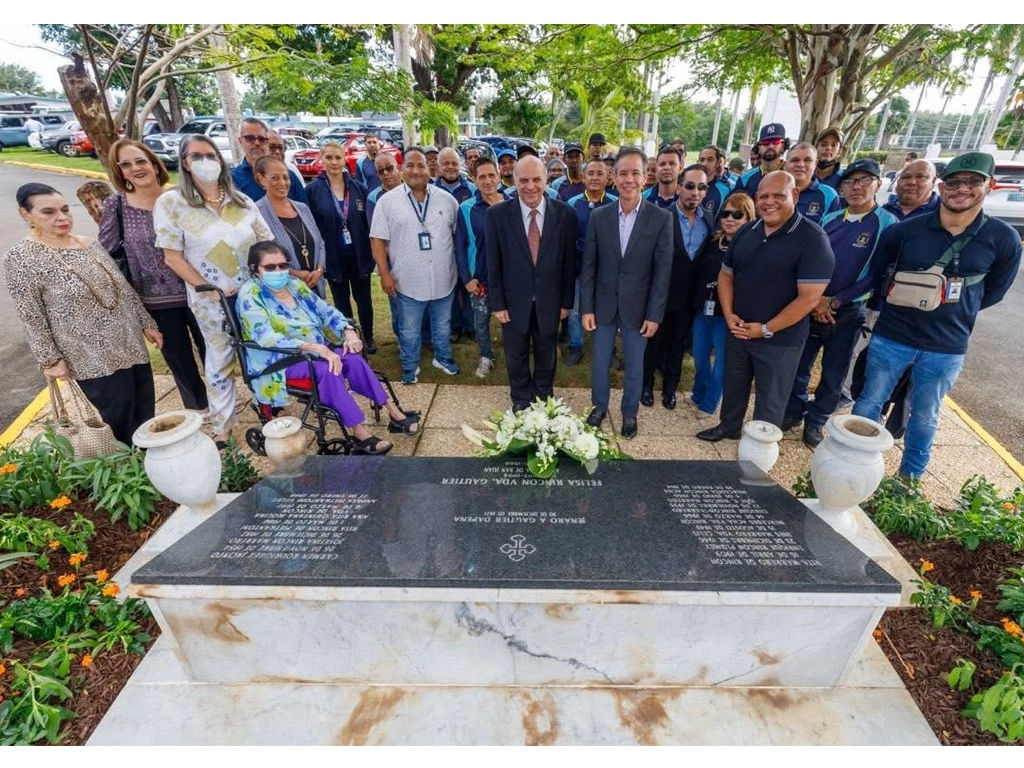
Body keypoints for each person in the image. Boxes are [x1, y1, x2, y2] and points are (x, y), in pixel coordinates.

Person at [853, 152, 1022, 478]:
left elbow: (993, 292)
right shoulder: (905, 232)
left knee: (925, 416)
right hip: (892, 336)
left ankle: (909, 480)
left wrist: (951, 310)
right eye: (955, 182)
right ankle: (855, 463)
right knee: (869, 402)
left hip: (946, 346)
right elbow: (880, 274)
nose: (962, 189)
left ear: (989, 186)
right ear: (942, 187)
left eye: (973, 182)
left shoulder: (1003, 239)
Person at [6, 183, 163, 445]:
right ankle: (128, 476)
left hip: (128, 342)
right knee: (118, 417)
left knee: (144, 409)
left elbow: (121, 287)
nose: (62, 217)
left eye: (65, 209)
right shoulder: (21, 257)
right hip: (89, 354)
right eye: (49, 212)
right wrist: (49, 359)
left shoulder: (89, 244)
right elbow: (30, 313)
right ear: (25, 214)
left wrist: (146, 323)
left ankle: (152, 464)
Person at [235, 241, 419, 455]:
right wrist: (317, 348)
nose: (279, 271)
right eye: (270, 267)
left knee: (353, 358)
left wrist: (348, 331)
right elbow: (265, 337)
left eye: (283, 265)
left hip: (316, 350)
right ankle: (360, 433)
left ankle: (395, 414)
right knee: (329, 371)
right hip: (279, 360)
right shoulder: (250, 296)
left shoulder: (294, 285)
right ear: (254, 268)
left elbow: (326, 311)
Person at [154, 134, 274, 448]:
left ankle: (271, 408)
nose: (206, 161)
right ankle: (223, 426)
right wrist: (203, 287)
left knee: (261, 348)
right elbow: (172, 256)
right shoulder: (172, 203)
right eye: (197, 156)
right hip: (211, 298)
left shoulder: (240, 201)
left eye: (211, 155)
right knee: (221, 359)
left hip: (253, 294)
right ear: (184, 162)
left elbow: (265, 241)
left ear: (220, 161)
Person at [697, 171, 834, 443]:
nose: (769, 202)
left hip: (779, 339)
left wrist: (766, 329)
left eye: (778, 196)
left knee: (770, 400)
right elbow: (726, 274)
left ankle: (760, 446)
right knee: (734, 385)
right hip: (739, 329)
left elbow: (809, 298)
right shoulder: (748, 229)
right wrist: (729, 314)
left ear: (794, 196)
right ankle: (729, 426)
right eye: (764, 196)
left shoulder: (812, 239)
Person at [782, 159, 898, 447]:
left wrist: (835, 300)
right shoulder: (829, 219)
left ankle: (817, 421)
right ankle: (793, 412)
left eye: (864, 180)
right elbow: (811, 261)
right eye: (849, 182)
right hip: (811, 306)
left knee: (834, 373)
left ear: (878, 184)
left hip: (848, 310)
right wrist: (817, 300)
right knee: (800, 365)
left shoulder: (886, 224)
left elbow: (878, 274)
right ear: (842, 187)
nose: (856, 187)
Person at [99, 138, 208, 414]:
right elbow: (106, 256)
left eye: (140, 161)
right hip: (155, 302)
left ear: (153, 163)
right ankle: (199, 411)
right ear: (119, 171)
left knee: (214, 352)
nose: (136, 168)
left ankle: (223, 403)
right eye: (126, 164)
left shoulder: (180, 199)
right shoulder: (117, 206)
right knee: (179, 360)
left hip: (197, 289)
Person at [581, 147, 673, 439]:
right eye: (623, 173)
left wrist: (655, 314)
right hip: (604, 304)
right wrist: (586, 308)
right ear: (614, 177)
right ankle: (598, 407)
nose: (629, 179)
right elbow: (590, 266)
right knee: (600, 361)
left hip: (639, 307)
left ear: (646, 177)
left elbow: (662, 272)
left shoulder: (660, 219)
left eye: (635, 173)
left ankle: (629, 413)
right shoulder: (600, 216)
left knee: (635, 364)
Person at [486, 155, 576, 411]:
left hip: (551, 301)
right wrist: (498, 303)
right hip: (514, 302)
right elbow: (493, 263)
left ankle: (543, 400)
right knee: (516, 356)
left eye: (537, 179)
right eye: (523, 180)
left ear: (547, 180)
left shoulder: (565, 215)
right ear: (513, 181)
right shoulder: (497, 216)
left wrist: (566, 302)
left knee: (547, 355)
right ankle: (521, 400)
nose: (530, 186)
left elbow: (569, 265)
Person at [370, 147, 461, 384]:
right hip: (407, 280)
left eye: (421, 165)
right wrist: (384, 273)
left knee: (442, 325)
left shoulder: (447, 200)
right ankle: (409, 367)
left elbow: (458, 238)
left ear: (429, 169)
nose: (416, 170)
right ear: (402, 169)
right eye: (410, 165)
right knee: (409, 329)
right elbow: (377, 239)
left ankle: (442, 358)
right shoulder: (387, 202)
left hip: (444, 277)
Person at [642, 164, 715, 411]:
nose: (695, 192)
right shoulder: (662, 217)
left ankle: (670, 389)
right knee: (654, 343)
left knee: (677, 345)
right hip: (661, 296)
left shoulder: (710, 221)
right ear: (679, 187)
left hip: (689, 298)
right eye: (690, 186)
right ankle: (646, 385)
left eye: (702, 187)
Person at [305, 140, 377, 354]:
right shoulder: (313, 191)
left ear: (345, 159)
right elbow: (312, 228)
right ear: (322, 159)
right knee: (341, 302)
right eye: (329, 157)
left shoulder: (358, 188)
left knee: (364, 300)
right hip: (333, 257)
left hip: (359, 255)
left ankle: (369, 337)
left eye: (338, 157)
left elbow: (367, 223)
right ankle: (349, 336)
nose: (334, 162)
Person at [690, 193, 755, 418]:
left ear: (748, 217)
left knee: (721, 362)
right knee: (699, 356)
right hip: (703, 309)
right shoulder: (712, 241)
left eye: (737, 215)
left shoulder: (751, 247)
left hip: (727, 315)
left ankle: (709, 403)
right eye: (726, 213)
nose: (729, 219)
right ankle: (698, 393)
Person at [564, 160, 617, 367]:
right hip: (578, 268)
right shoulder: (573, 204)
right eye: (590, 173)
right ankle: (576, 344)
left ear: (607, 177)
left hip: (606, 271)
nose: (595, 177)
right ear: (584, 177)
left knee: (606, 310)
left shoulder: (615, 203)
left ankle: (608, 347)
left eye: (599, 173)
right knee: (575, 309)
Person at [455, 157, 504, 378]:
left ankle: (514, 356)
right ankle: (486, 356)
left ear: (499, 176)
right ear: (474, 180)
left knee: (510, 322)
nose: (487, 181)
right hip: (481, 280)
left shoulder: (513, 201)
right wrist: (467, 278)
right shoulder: (467, 208)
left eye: (491, 175)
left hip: (509, 279)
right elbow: (460, 246)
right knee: (481, 322)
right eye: (482, 177)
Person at [253, 156, 327, 299]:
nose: (282, 183)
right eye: (274, 178)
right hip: (284, 293)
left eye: (285, 177)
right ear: (261, 179)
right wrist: (294, 274)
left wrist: (319, 269)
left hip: (316, 286)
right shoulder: (257, 212)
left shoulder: (302, 208)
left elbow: (320, 243)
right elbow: (260, 259)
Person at [230, 117, 307, 205]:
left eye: (261, 139)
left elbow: (305, 209)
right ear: (240, 141)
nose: (257, 143)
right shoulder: (233, 179)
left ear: (266, 142)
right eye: (250, 138)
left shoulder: (289, 175)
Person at [784, 142, 841, 225]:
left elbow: (832, 230)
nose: (800, 165)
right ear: (785, 164)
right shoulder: (773, 190)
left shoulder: (829, 195)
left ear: (815, 164)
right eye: (795, 160)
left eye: (807, 160)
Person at [697, 145, 736, 220]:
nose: (705, 163)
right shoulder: (687, 186)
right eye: (702, 160)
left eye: (710, 160)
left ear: (718, 163)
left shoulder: (725, 190)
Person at [366, 152, 402, 226]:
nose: (385, 173)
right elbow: (375, 231)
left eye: (389, 168)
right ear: (377, 174)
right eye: (381, 171)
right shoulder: (373, 197)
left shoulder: (411, 190)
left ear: (398, 168)